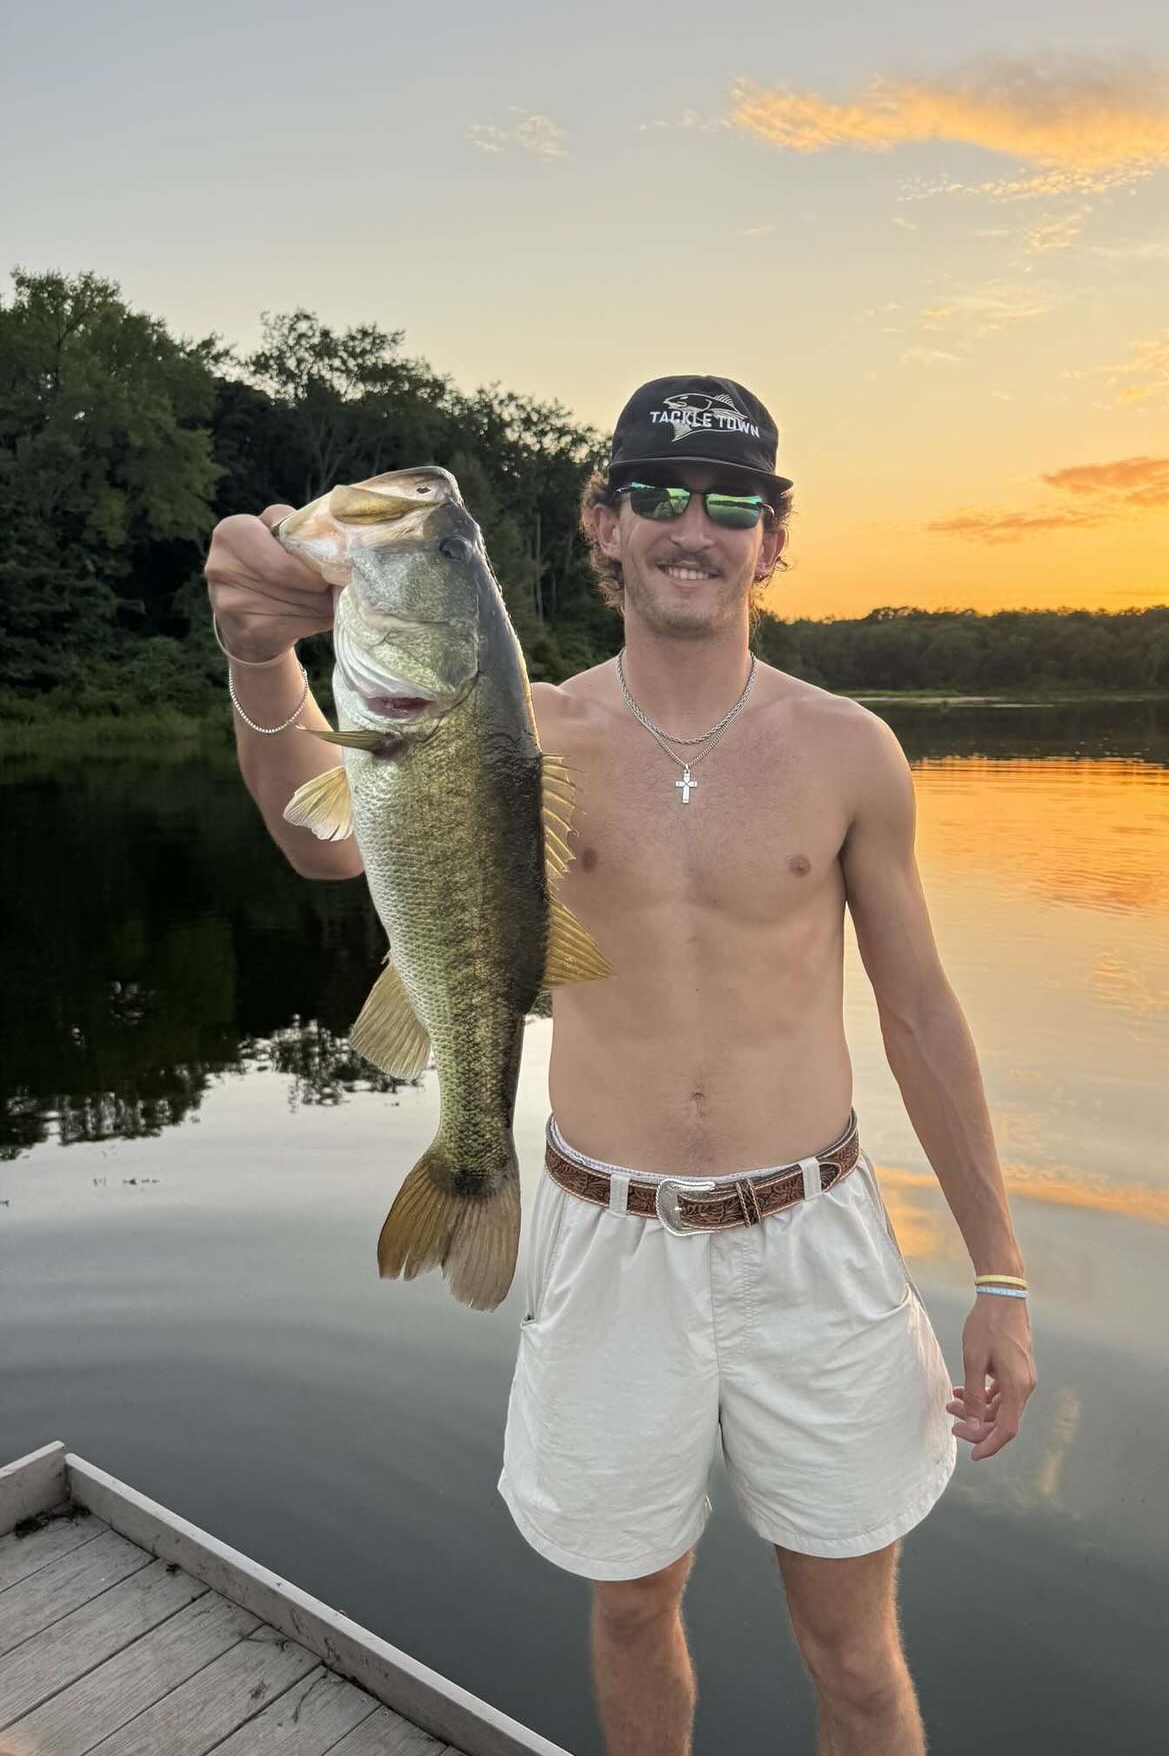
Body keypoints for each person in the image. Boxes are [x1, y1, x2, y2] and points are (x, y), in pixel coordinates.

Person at [205, 373, 1037, 1756]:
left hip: (814, 1244)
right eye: (656, 494)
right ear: (604, 522)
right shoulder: (515, 727)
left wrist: (999, 1273)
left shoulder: (852, 750)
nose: (691, 528)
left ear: (773, 537)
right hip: (606, 1236)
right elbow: (317, 836)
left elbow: (923, 1019)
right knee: (634, 1614)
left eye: (730, 503)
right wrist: (256, 656)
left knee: (854, 1654)